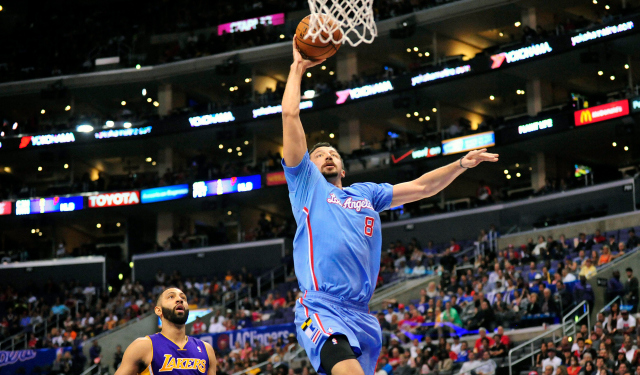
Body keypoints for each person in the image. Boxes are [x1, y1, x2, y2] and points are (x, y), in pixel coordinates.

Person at [281, 41, 499, 375]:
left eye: (333, 154)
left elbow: (423, 187)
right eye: (319, 153)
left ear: (343, 169)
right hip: (321, 305)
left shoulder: (366, 193)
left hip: (361, 312)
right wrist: (297, 69)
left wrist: (461, 165)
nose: (327, 155)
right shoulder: (306, 186)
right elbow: (290, 115)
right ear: (307, 165)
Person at [114, 287, 216, 375]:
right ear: (158, 310)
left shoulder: (207, 350)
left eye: (183, 298)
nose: (179, 300)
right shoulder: (142, 346)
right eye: (171, 297)